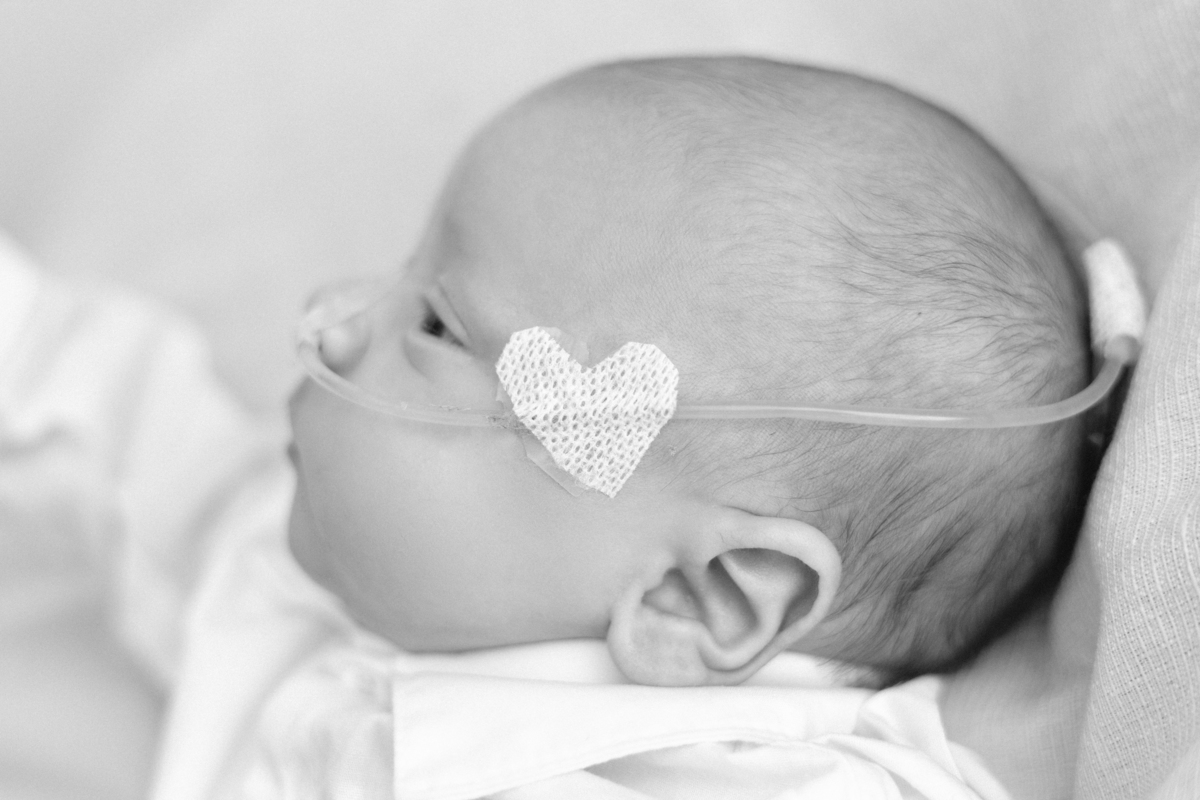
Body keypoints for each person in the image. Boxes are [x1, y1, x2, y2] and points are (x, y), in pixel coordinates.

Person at [4, 56, 1106, 799]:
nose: (332, 321)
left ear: (703, 599)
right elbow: (114, 421)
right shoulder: (312, 569)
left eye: (435, 325)